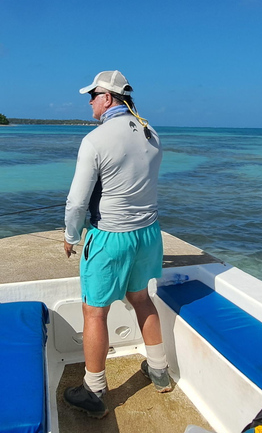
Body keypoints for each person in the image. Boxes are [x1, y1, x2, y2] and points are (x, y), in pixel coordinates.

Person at [62, 70, 174, 419]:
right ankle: (159, 372)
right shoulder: (149, 131)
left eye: (92, 97)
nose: (91, 103)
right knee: (141, 298)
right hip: (148, 233)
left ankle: (94, 392)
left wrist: (70, 236)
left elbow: (76, 203)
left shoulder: (95, 139)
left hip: (111, 237)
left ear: (107, 98)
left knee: (95, 312)